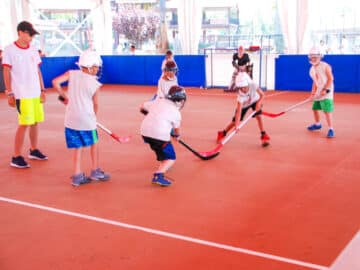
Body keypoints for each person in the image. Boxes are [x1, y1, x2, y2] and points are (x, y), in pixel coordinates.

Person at [52, 50, 110, 186]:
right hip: (87, 120)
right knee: (94, 144)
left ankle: (77, 175)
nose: (97, 69)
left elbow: (55, 82)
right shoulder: (95, 84)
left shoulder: (71, 74)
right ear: (90, 67)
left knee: (78, 147)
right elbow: (95, 105)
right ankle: (95, 170)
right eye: (96, 67)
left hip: (71, 120)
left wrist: (64, 97)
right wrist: (93, 118)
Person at [2, 21, 48, 168]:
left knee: (35, 122)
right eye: (29, 34)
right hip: (22, 94)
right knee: (24, 123)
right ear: (20, 32)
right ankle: (16, 156)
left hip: (35, 92)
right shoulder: (9, 50)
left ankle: (33, 150)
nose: (31, 38)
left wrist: (42, 90)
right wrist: (9, 92)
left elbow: (38, 71)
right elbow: (6, 71)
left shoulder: (33, 50)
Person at [140, 85, 186, 187]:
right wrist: (177, 136)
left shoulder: (158, 101)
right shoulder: (176, 113)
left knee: (160, 148)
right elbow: (176, 130)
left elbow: (142, 106)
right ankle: (158, 176)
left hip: (144, 132)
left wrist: (150, 114)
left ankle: (162, 165)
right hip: (159, 135)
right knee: (171, 157)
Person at [217, 72, 270, 147]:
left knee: (259, 116)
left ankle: (263, 135)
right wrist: (237, 125)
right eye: (241, 88)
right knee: (234, 122)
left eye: (244, 87)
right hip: (244, 106)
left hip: (255, 101)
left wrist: (258, 103)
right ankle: (223, 133)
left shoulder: (253, 85)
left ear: (248, 83)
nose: (243, 89)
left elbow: (262, 95)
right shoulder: (240, 96)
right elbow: (238, 112)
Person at [307, 47, 335, 138]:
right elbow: (315, 81)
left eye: (315, 57)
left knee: (327, 111)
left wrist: (325, 89)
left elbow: (331, 79)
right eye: (312, 57)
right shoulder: (312, 69)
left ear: (320, 57)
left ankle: (331, 129)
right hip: (319, 92)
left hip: (327, 92)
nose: (313, 59)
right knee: (315, 108)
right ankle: (317, 124)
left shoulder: (325, 66)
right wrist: (312, 93)